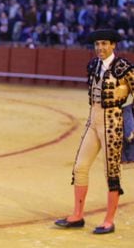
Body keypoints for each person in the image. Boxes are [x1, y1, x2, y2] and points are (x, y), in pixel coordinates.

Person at [54, 29, 134, 234]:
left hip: (113, 123)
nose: (100, 48)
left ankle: (109, 220)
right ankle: (77, 215)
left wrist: (130, 119)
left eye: (105, 44)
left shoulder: (123, 68)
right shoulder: (92, 66)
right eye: (97, 44)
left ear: (113, 45)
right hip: (93, 121)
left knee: (112, 173)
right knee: (80, 167)